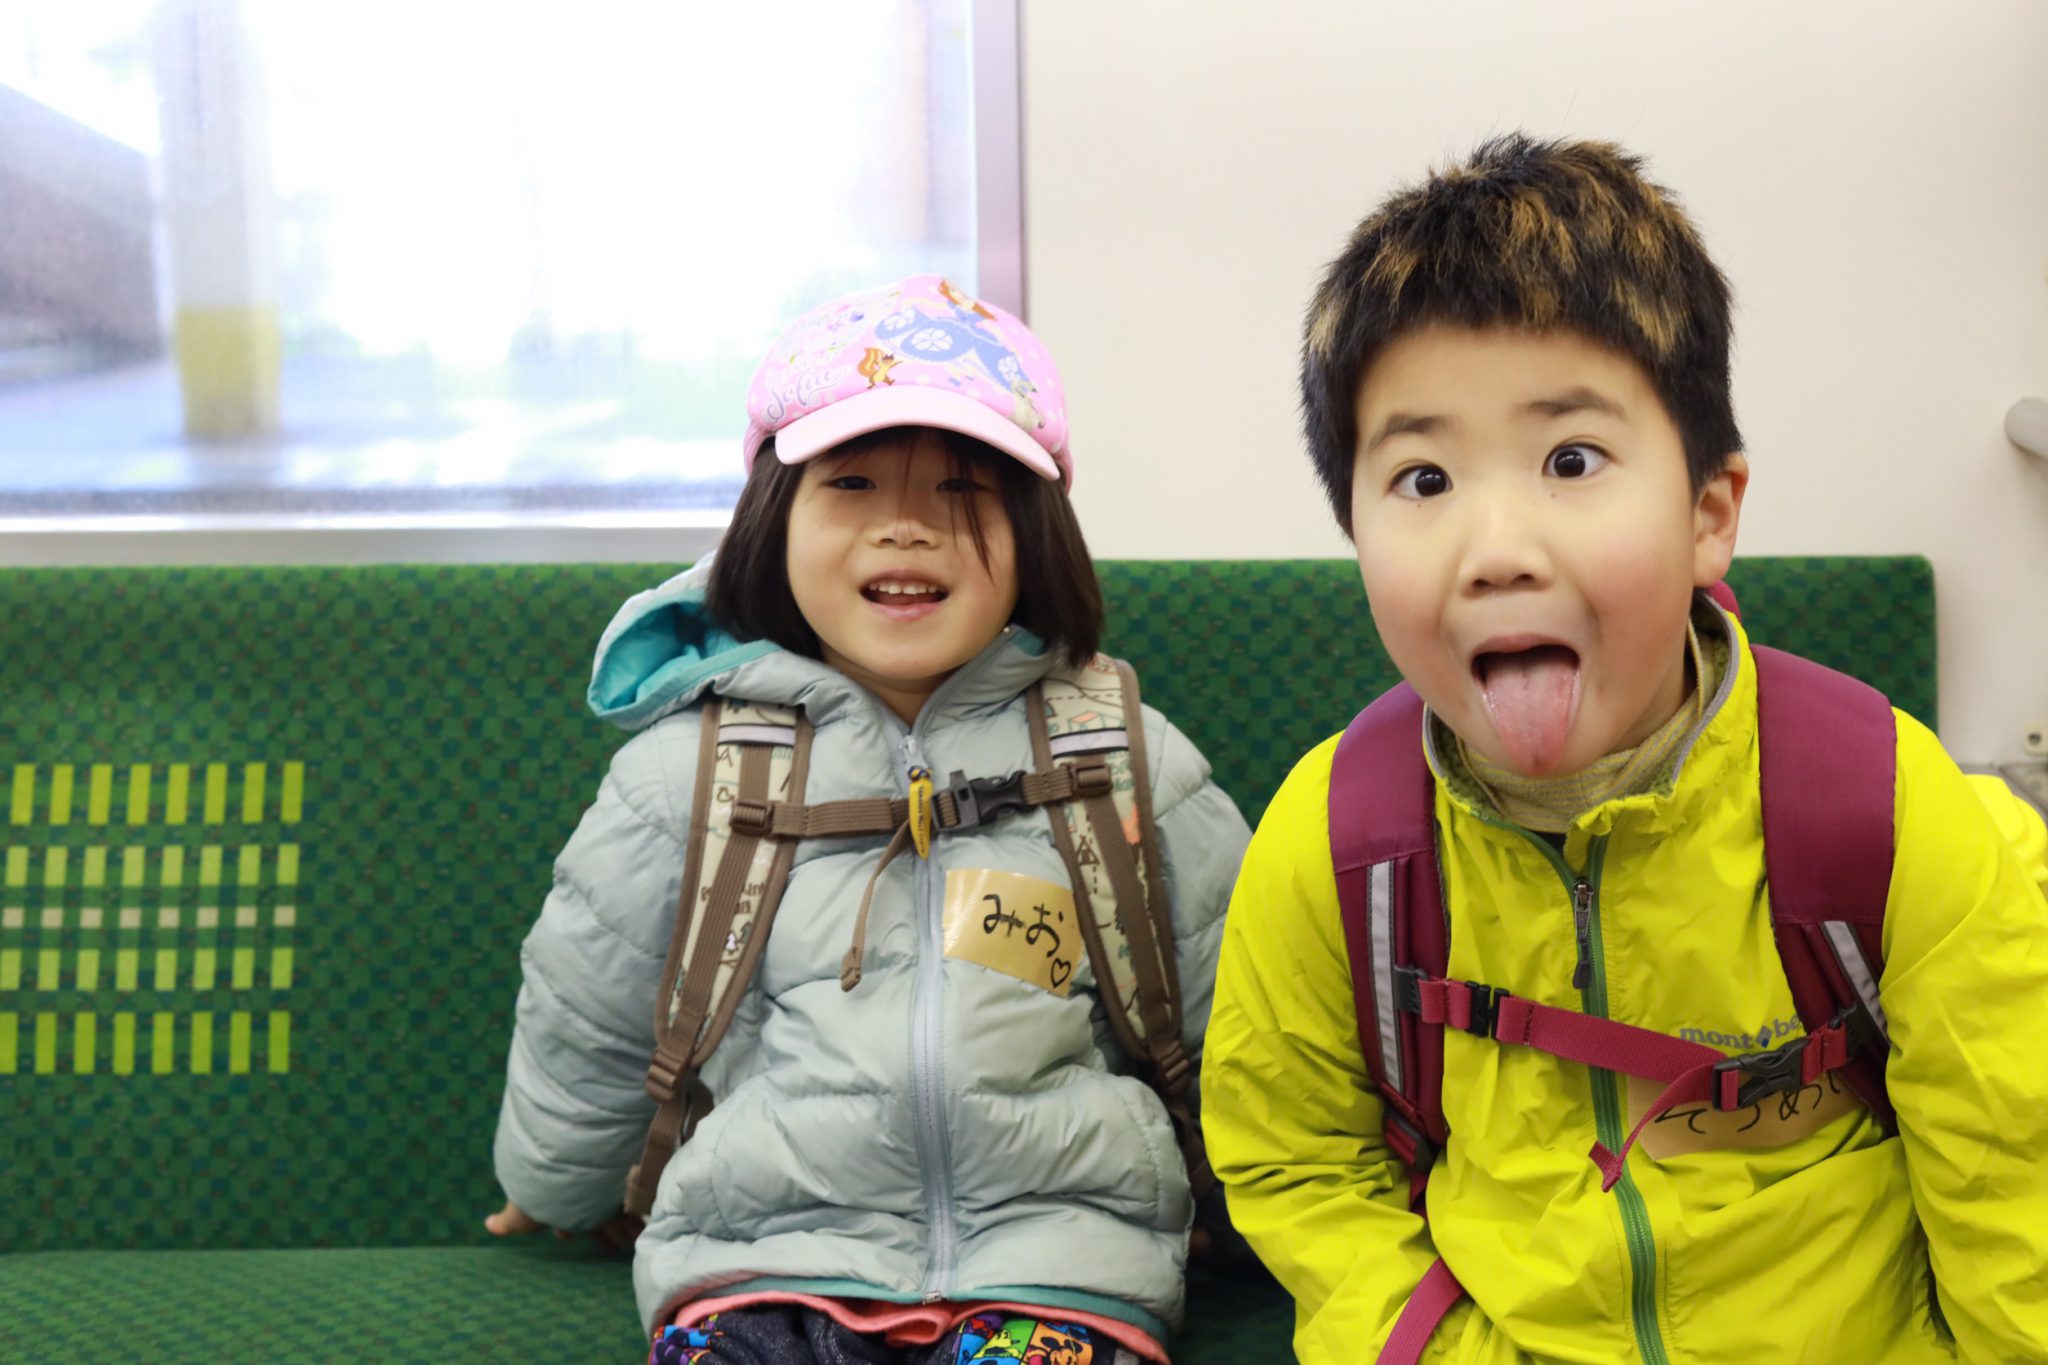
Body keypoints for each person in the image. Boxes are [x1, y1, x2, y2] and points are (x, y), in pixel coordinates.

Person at [1201, 135, 2048, 1362]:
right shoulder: (1332, 841)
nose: (1495, 550)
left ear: (1707, 513)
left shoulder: (1890, 808)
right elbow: (1293, 1161)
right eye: (1423, 478)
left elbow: (2013, 1185)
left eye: (1570, 461)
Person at [488, 274, 1250, 1364]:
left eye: (963, 490)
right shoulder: (687, 773)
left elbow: (1241, 1016)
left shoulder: (1121, 759)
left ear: (1035, 534)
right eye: (849, 482)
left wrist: (1265, 1214)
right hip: (757, 1260)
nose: (905, 525)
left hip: (1062, 1266)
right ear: (773, 519)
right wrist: (555, 1183)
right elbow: (590, 1002)